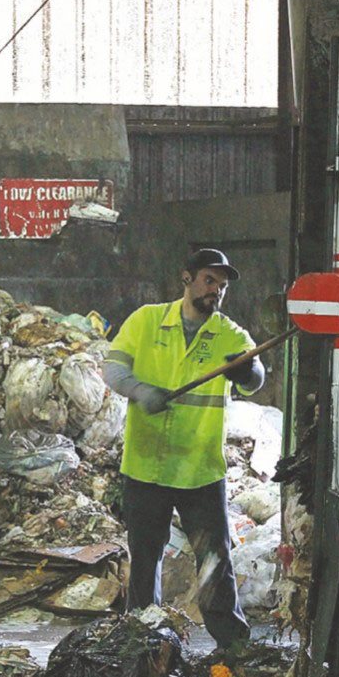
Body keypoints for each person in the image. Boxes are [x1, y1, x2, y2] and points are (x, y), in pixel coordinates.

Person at [102, 248, 265, 649]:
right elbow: (112, 368)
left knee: (214, 561)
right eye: (209, 281)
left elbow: (255, 377)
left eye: (222, 287)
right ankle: (143, 640)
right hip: (147, 466)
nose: (216, 292)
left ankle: (231, 643)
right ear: (187, 278)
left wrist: (248, 370)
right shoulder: (147, 321)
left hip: (199, 469)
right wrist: (140, 391)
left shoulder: (228, 334)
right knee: (145, 560)